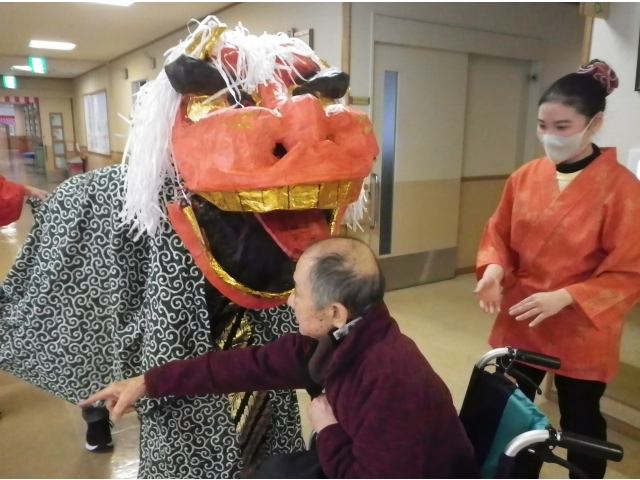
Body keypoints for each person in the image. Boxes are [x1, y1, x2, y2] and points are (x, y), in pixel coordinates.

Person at [0, 16, 377, 477]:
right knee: (182, 421)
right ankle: (98, 414)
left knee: (262, 419)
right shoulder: (128, 193)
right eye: (235, 98)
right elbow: (91, 291)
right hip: (176, 342)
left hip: (256, 336)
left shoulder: (304, 218)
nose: (301, 124)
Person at [81, 237, 478, 479]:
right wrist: (149, 382)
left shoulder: (389, 378)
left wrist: (328, 429)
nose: (290, 301)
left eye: (299, 293)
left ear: (335, 312)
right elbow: (243, 365)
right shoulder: (337, 340)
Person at [474, 59, 640, 478]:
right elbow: (498, 233)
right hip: (524, 314)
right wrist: (493, 269)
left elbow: (629, 270)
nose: (550, 136)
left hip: (581, 324)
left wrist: (566, 296)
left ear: (594, 123)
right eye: (542, 125)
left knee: (580, 416)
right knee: (513, 408)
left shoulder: (623, 190)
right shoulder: (525, 176)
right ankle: (513, 471)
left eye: (562, 127)